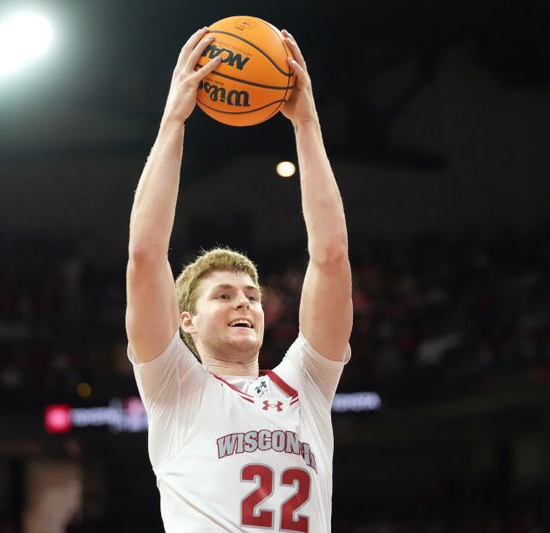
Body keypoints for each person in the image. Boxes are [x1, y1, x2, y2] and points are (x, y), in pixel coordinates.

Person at [125, 26, 352, 533]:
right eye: (223, 295)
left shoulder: (307, 384)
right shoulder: (174, 385)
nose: (243, 303)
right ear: (186, 319)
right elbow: (144, 256)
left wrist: (307, 125)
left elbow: (332, 258)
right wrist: (173, 121)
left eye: (251, 295)